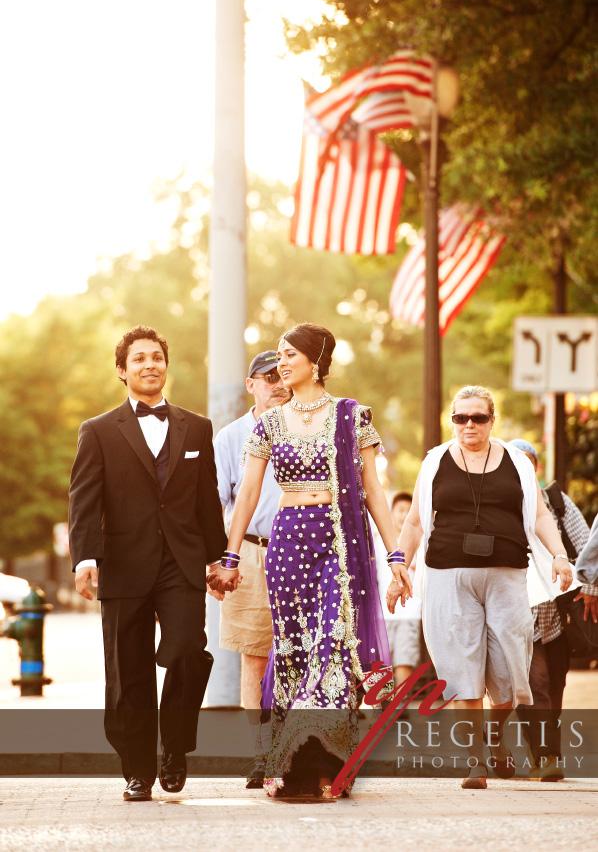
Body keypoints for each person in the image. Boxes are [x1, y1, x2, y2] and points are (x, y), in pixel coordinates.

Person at [209, 322, 410, 799]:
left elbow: (373, 492)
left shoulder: (350, 415)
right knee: (295, 653)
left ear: (315, 361)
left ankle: (327, 759)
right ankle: (293, 761)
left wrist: (395, 553)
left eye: (289, 354)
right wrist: (232, 555)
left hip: (339, 547)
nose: (282, 363)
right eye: (278, 356)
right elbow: (250, 493)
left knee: (331, 650)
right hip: (288, 545)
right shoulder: (269, 424)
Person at [387, 385, 573, 790]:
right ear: (451, 420)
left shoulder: (517, 464)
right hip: (447, 576)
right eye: (460, 417)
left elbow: (540, 516)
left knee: (509, 671)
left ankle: (494, 734)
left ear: (493, 420)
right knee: (461, 666)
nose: (469, 425)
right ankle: (476, 761)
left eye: (478, 417)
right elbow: (415, 523)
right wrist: (399, 564)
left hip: (507, 576)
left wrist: (559, 554)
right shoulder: (435, 462)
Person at [69, 325, 227, 802]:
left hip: (181, 562)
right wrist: (84, 559)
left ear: (166, 364)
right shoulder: (97, 431)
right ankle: (137, 768)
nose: (149, 365)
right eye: (138, 359)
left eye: (156, 357)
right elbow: (83, 499)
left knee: (185, 652)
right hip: (121, 563)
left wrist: (220, 559)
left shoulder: (196, 427)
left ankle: (174, 749)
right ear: (122, 371)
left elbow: (206, 499)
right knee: (128, 671)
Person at [213, 350, 289, 789]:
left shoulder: (305, 427)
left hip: (304, 552)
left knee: (303, 653)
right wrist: (221, 560)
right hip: (251, 554)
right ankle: (261, 754)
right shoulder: (230, 437)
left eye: (282, 375)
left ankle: (294, 747)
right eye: (267, 377)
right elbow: (215, 503)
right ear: (251, 385)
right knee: (255, 657)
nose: (277, 384)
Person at [509, 439, 598, 780]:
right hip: (517, 616)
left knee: (555, 687)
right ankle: (547, 756)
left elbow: (589, 543)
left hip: (556, 616)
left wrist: (589, 585)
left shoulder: (558, 505)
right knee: (537, 682)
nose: (523, 469)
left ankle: (540, 754)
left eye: (528, 462)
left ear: (536, 467)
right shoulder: (501, 506)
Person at [374, 492, 422, 698]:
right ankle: (382, 702)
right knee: (380, 660)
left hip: (409, 611)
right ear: (392, 513)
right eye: (400, 511)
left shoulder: (420, 541)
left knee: (405, 658)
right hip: (380, 613)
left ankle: (400, 703)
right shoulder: (379, 541)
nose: (403, 516)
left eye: (407, 511)